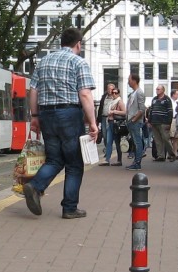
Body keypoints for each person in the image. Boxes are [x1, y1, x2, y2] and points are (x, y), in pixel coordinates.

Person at [21, 28, 98, 220]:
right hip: (69, 114)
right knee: (74, 163)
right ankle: (69, 208)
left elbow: (33, 91)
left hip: (47, 114)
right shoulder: (78, 62)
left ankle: (35, 185)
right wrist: (93, 123)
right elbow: (85, 94)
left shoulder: (44, 62)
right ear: (78, 44)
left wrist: (35, 116)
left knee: (55, 159)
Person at [122, 73, 146, 171]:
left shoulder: (139, 92)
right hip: (131, 121)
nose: (128, 81)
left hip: (135, 121)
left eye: (129, 79)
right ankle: (136, 161)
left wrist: (134, 119)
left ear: (134, 80)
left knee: (137, 142)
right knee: (136, 142)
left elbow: (142, 109)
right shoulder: (133, 93)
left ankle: (137, 163)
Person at [148, 84, 177, 161]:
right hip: (154, 122)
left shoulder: (167, 99)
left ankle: (171, 154)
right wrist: (149, 120)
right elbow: (151, 110)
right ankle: (160, 156)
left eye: (158, 89)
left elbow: (170, 112)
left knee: (165, 139)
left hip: (164, 123)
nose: (157, 91)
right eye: (156, 89)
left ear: (163, 90)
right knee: (157, 140)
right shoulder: (154, 99)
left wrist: (169, 123)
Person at [98, 85, 125, 165]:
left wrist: (114, 112)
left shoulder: (119, 101)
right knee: (109, 141)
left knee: (117, 142)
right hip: (110, 123)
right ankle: (107, 159)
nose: (114, 94)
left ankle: (119, 160)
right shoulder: (112, 101)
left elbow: (125, 112)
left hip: (116, 124)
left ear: (118, 94)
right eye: (113, 92)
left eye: (116, 93)